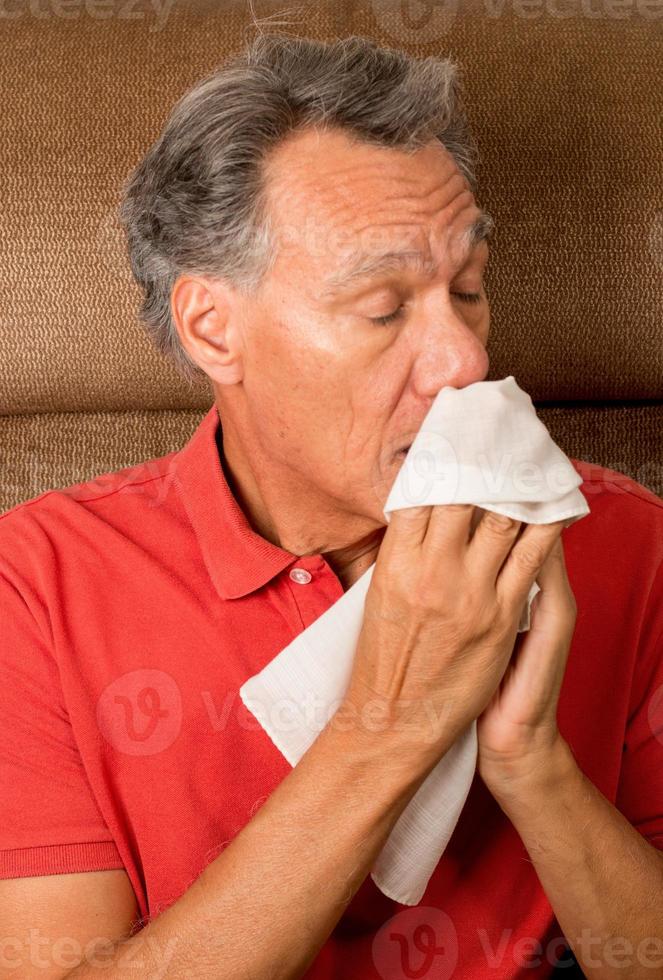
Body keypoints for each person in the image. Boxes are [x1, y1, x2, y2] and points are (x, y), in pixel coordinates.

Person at [1, 32, 662, 980]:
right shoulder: (36, 586)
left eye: (467, 290)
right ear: (212, 328)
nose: (464, 362)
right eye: (384, 309)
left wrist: (531, 762)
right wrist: (392, 724)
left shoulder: (624, 540)